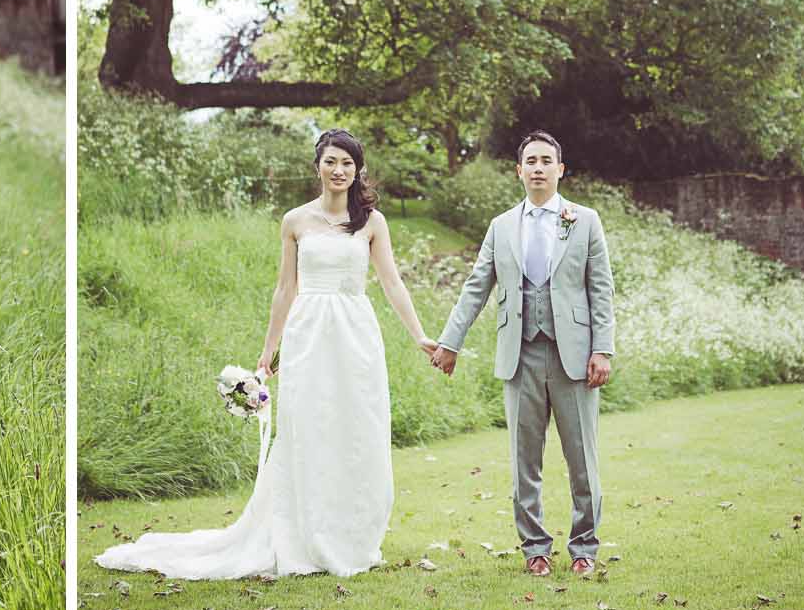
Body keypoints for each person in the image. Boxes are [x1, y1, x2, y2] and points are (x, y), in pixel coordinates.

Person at [95, 128, 437, 578]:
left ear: (358, 170)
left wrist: (420, 336)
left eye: (347, 163)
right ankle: (303, 536)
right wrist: (268, 350)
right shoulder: (295, 220)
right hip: (308, 332)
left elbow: (391, 282)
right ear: (318, 165)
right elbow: (285, 288)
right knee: (308, 429)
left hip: (356, 334)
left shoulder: (372, 222)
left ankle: (351, 538)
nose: (339, 170)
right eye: (331, 161)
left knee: (357, 428)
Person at [430, 130, 614, 577]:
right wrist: (450, 341)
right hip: (519, 355)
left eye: (545, 160)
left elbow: (601, 289)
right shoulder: (500, 226)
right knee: (523, 458)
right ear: (518, 170)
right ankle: (535, 547)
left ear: (559, 169)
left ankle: (584, 547)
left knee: (581, 458)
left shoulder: (584, 220)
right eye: (530, 160)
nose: (537, 167)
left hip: (574, 357)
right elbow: (476, 287)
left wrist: (602, 349)